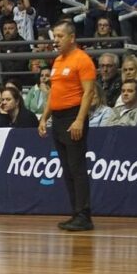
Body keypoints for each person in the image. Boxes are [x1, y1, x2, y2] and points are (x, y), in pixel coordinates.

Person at [38, 21, 96, 231]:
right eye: (54, 36)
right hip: (58, 118)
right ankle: (75, 213)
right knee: (67, 168)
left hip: (73, 116)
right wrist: (44, 117)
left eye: (60, 36)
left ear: (72, 38)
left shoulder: (82, 59)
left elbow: (88, 92)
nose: (56, 40)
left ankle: (84, 215)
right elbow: (54, 92)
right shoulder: (57, 60)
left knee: (77, 168)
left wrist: (79, 119)